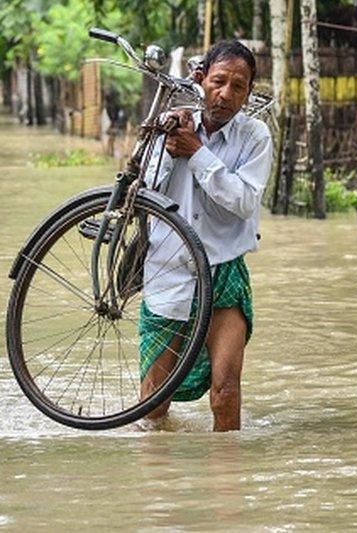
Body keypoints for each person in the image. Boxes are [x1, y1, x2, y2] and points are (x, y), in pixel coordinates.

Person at [139, 40, 272, 432]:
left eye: (238, 86)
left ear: (249, 93)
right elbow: (143, 190)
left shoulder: (255, 137)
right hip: (169, 270)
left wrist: (197, 153)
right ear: (200, 80)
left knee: (226, 392)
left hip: (223, 271)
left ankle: (225, 485)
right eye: (218, 82)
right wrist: (168, 144)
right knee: (153, 401)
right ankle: (159, 486)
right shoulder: (172, 123)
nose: (226, 95)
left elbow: (245, 201)